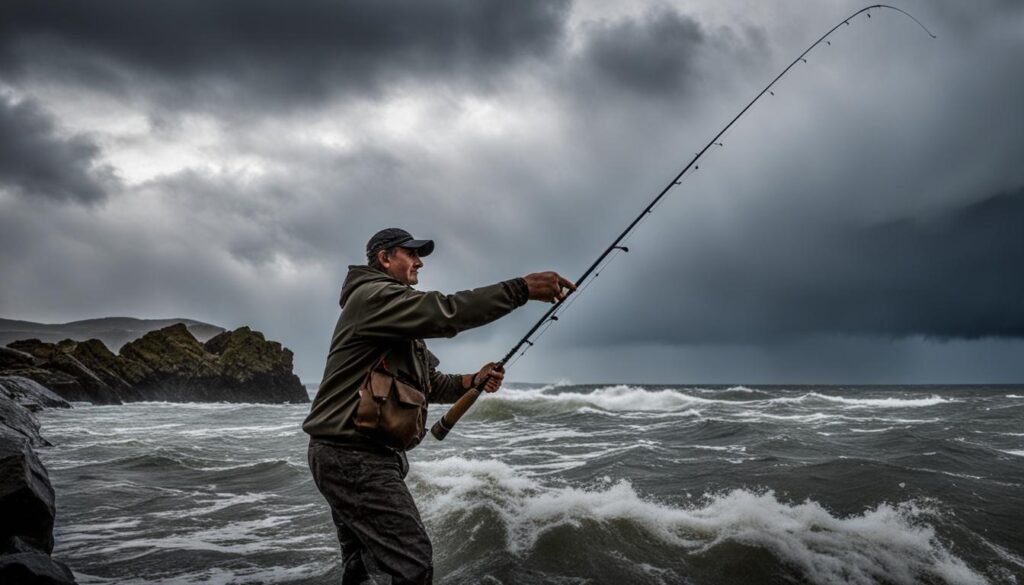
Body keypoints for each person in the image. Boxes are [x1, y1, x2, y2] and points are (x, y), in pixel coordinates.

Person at [303, 227, 574, 585]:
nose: (418, 263)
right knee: (411, 564)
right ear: (384, 258)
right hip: (352, 455)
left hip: (356, 455)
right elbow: (446, 312)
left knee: (363, 569)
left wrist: (471, 381)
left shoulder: (393, 313)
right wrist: (521, 289)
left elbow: (428, 384)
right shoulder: (373, 297)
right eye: (410, 254)